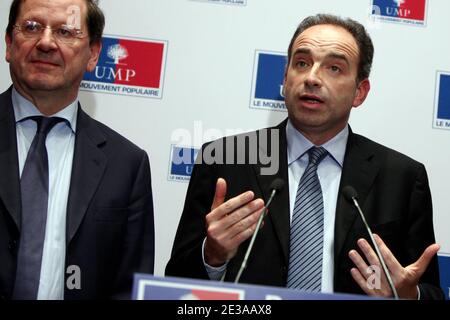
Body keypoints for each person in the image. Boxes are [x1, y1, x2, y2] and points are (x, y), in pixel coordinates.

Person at [166, 14, 443, 299]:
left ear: (360, 92)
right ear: (286, 78)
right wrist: (212, 256)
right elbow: (175, 286)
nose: (312, 78)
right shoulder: (225, 159)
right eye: (302, 63)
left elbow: (431, 290)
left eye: (334, 68)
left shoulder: (402, 178)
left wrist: (408, 295)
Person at [0, 0, 154, 300]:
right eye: (31, 27)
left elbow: (129, 289)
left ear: (93, 54)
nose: (46, 42)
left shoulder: (126, 165)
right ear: (9, 43)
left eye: (65, 32)